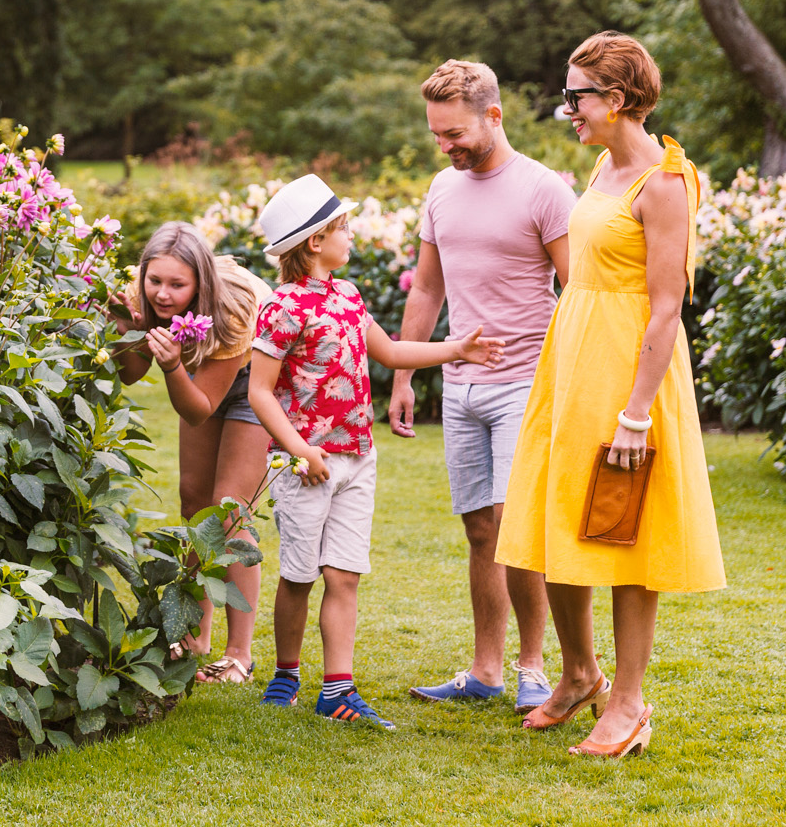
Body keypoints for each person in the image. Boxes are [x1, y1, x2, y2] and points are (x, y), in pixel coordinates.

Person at [495, 31, 726, 758]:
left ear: (617, 100)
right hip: (572, 363)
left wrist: (635, 414)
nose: (568, 109)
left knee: (623, 531)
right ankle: (580, 673)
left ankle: (627, 702)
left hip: (630, 373)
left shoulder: (663, 182)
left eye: (577, 96)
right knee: (551, 517)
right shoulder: (602, 164)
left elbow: (665, 307)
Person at [246, 175, 506, 730]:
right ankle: (286, 674)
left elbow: (387, 350)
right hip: (304, 467)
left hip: (357, 459)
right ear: (314, 242)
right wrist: (299, 451)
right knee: (298, 576)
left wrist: (455, 347)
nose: (351, 234)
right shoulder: (282, 309)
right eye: (343, 227)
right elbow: (259, 393)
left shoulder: (346, 296)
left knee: (344, 575)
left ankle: (337, 689)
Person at [394, 60, 574, 713]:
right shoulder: (442, 190)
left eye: (455, 133)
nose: (445, 146)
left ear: (493, 116)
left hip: (526, 384)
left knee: (515, 526)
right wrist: (405, 373)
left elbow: (579, 291)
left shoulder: (545, 190)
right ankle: (485, 669)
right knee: (479, 529)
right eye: (437, 135)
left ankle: (534, 666)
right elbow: (428, 288)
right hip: (463, 388)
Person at [113, 221, 274, 683]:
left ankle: (239, 653)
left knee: (230, 509)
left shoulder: (232, 306)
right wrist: (126, 325)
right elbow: (129, 373)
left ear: (200, 282)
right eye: (155, 281)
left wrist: (171, 366)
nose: (163, 294)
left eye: (177, 285)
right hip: (200, 370)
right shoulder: (141, 292)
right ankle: (196, 635)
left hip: (257, 378)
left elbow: (200, 409)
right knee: (194, 501)